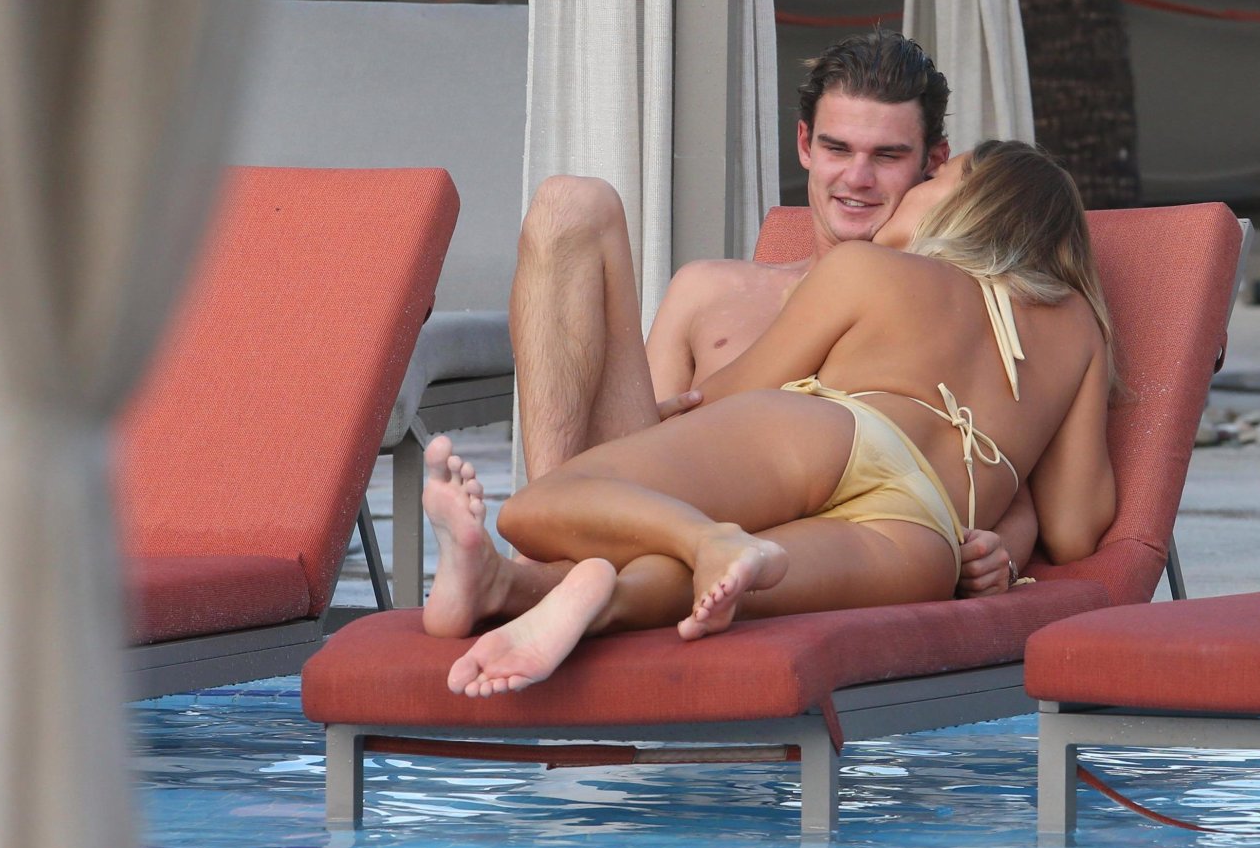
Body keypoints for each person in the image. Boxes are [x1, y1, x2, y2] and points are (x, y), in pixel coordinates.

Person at [426, 140, 1116, 698]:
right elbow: (1076, 529)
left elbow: (731, 396)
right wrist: (1010, 516)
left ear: (973, 203)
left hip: (837, 434)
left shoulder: (869, 269)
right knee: (728, 588)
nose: (910, 191)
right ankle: (531, 589)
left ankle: (706, 539)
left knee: (539, 507)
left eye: (935, 179)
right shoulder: (1080, 329)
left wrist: (665, 424)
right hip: (926, 534)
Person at [503, 28, 1034, 601]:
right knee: (570, 204)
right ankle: (541, 542)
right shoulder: (708, 289)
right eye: (837, 149)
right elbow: (634, 443)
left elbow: (1010, 468)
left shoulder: (950, 310)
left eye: (886, 156)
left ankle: (540, 578)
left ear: (934, 162)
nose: (857, 179)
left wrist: (1003, 551)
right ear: (805, 144)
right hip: (654, 504)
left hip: (793, 548)